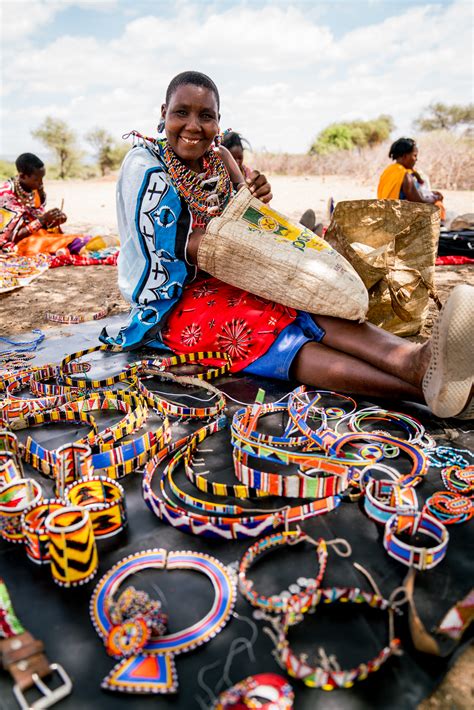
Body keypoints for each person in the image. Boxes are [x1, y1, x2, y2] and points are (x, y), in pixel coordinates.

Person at [105, 71, 473, 419]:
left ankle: (415, 361)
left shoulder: (217, 161)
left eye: (207, 116)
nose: (193, 125)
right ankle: (422, 392)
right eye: (181, 112)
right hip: (172, 301)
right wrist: (274, 259)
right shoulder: (144, 165)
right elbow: (193, 243)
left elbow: (247, 223)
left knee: (310, 300)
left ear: (219, 121)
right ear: (163, 114)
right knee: (268, 324)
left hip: (227, 274)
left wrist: (253, 203)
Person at [0, 153, 79, 256]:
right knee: (46, 244)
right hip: (18, 242)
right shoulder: (6, 196)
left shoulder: (33, 190)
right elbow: (8, 238)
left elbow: (35, 219)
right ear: (23, 176)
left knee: (70, 240)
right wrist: (43, 220)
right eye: (37, 179)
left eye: (42, 178)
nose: (41, 183)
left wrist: (54, 221)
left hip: (34, 236)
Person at [377, 138, 446, 221]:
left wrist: (430, 194)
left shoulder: (388, 171)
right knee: (438, 205)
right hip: (399, 218)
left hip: (385, 215)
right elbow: (418, 201)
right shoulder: (404, 175)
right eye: (415, 155)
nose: (416, 159)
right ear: (405, 156)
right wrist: (435, 198)